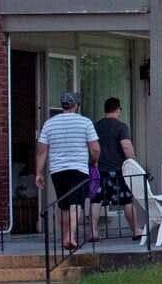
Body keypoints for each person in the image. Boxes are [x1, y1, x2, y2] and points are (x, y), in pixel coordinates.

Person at [35, 92, 99, 250]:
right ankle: (71, 236)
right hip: (79, 169)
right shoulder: (85, 122)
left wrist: (39, 173)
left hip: (57, 170)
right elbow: (95, 148)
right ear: (76, 105)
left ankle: (65, 237)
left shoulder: (49, 124)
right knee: (76, 203)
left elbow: (42, 151)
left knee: (63, 204)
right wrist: (94, 161)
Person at [89, 97, 141, 242]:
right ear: (118, 109)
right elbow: (126, 146)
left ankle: (93, 231)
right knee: (127, 200)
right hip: (118, 170)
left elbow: (92, 146)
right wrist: (133, 163)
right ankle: (136, 230)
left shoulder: (95, 126)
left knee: (95, 200)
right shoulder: (121, 126)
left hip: (98, 169)